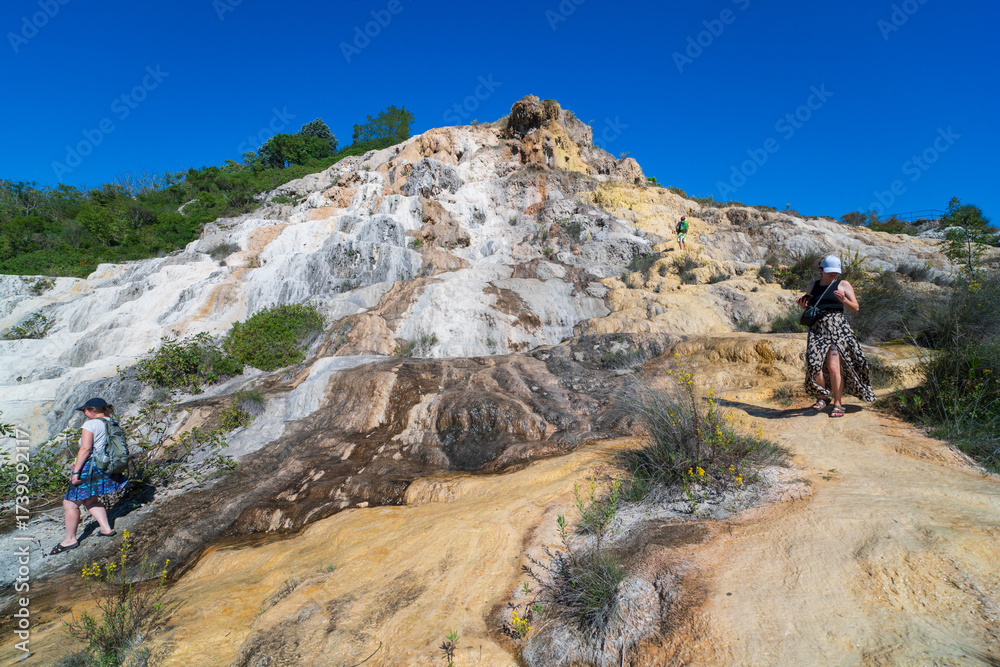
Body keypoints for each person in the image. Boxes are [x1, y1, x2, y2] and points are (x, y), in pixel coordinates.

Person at [795, 255, 876, 417]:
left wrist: (844, 299)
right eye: (830, 271)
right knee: (813, 364)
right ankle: (823, 396)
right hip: (817, 328)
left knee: (833, 367)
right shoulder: (812, 286)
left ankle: (838, 403)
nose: (834, 274)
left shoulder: (843, 284)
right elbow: (811, 309)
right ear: (821, 270)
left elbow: (855, 308)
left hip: (837, 329)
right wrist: (804, 307)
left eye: (836, 272)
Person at [49, 398, 128, 555]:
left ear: (93, 410)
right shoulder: (111, 422)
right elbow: (100, 447)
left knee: (70, 503)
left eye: (85, 410)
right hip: (103, 466)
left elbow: (85, 448)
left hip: (89, 468)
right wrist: (77, 461)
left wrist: (76, 471)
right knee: (90, 499)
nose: (84, 413)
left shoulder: (90, 424)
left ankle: (70, 539)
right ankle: (106, 528)